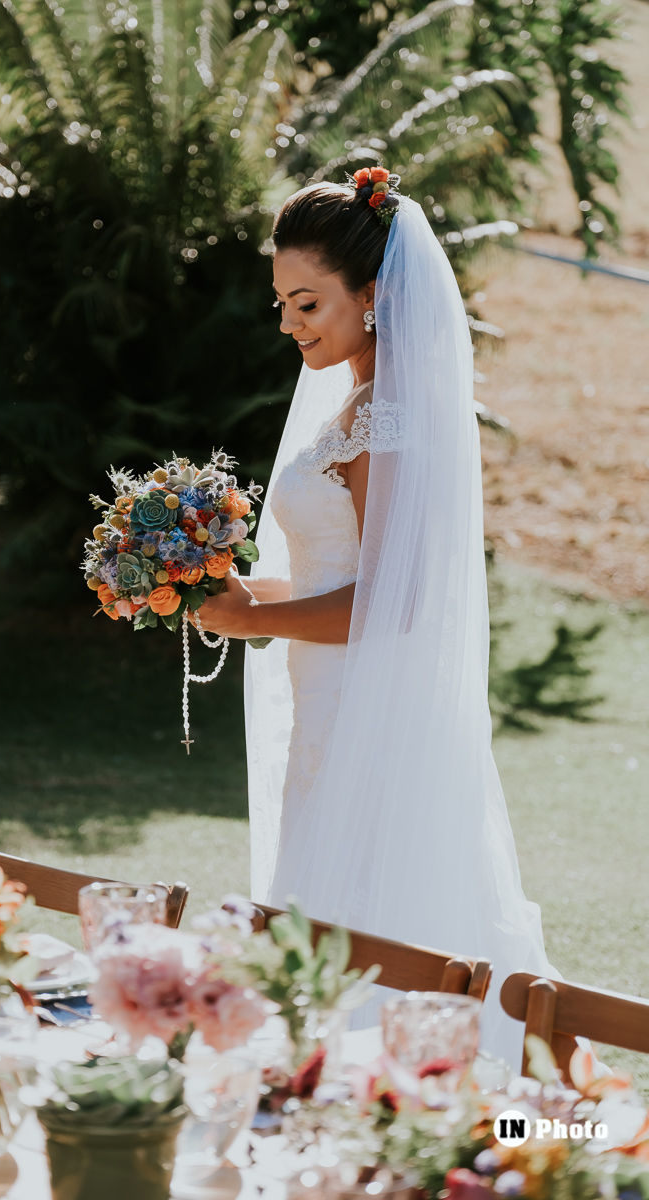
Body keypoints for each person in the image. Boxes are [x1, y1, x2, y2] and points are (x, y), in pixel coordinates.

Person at [192, 169, 560, 1069]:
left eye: (308, 302)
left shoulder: (388, 418)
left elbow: (393, 606)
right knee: (327, 907)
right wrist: (229, 596)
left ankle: (417, 1092)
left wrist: (250, 623)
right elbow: (343, 574)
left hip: (373, 708)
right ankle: (335, 1087)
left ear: (373, 295)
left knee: (375, 909)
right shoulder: (356, 407)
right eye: (282, 303)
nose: (290, 324)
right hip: (330, 704)